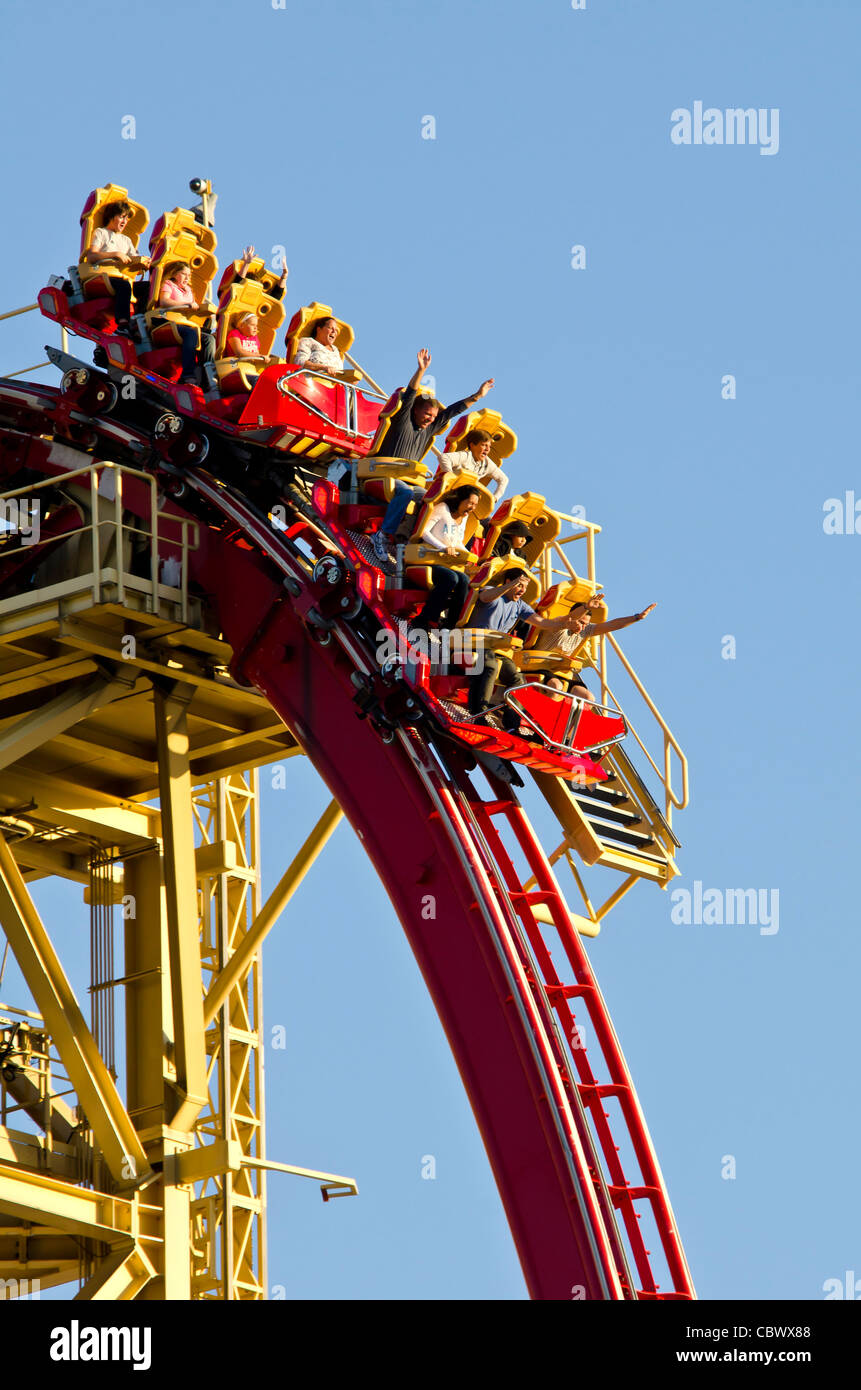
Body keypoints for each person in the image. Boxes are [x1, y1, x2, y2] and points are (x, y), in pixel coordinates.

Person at [372, 349, 494, 561]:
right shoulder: (404, 419)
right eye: (427, 414)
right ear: (416, 411)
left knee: (430, 498)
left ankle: (408, 539)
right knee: (406, 494)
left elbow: (451, 412)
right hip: (385, 473)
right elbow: (410, 394)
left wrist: (476, 396)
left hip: (409, 479)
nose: (430, 419)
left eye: (433, 416)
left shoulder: (429, 428)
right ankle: (381, 535)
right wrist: (421, 370)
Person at [466, 569, 590, 731]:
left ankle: (511, 721)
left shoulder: (520, 606)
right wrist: (510, 585)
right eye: (520, 586)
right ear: (508, 582)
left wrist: (564, 623)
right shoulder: (491, 592)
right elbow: (484, 598)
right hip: (476, 642)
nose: (523, 591)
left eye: (524, 587)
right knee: (490, 667)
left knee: (518, 680)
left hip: (498, 649)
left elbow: (542, 623)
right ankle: (479, 714)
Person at [534, 597, 657, 702]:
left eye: (585, 624)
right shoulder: (559, 624)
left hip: (560, 672)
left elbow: (612, 625)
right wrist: (586, 607)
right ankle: (538, 720)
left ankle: (571, 727)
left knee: (588, 697)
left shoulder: (584, 631)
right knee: (556, 686)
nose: (582, 627)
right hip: (538, 665)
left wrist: (637, 617)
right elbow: (570, 616)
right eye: (581, 622)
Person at [412, 486, 480, 633]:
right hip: (428, 557)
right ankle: (425, 619)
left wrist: (471, 557)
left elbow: (457, 541)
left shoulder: (465, 517)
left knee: (465, 581)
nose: (472, 507)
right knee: (451, 578)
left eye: (475, 505)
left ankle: (449, 626)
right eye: (470, 503)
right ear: (460, 499)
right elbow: (424, 531)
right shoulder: (442, 509)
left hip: (446, 562)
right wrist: (442, 547)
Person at [84, 200, 150, 333]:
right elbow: (91, 257)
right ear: (111, 216)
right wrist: (115, 254)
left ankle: (139, 321)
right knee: (124, 286)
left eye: (126, 218)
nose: (124, 221)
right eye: (121, 216)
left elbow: (132, 260)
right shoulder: (101, 232)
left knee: (147, 287)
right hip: (103, 277)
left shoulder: (126, 240)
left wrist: (142, 263)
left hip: (122, 277)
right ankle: (123, 325)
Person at [157, 261, 216, 387]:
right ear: (175, 274)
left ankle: (207, 378)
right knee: (191, 334)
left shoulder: (189, 290)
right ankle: (188, 375)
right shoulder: (169, 284)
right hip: (170, 322)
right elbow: (164, 301)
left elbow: (192, 307)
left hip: (186, 323)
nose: (187, 278)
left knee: (209, 339)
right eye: (184, 274)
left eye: (189, 275)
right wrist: (184, 305)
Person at [437, 429, 509, 503]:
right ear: (472, 445)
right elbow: (444, 457)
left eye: (489, 446)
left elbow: (504, 479)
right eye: (484, 445)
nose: (487, 449)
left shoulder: (487, 464)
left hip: (464, 500)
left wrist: (495, 498)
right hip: (447, 495)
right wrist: (450, 477)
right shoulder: (466, 456)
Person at [292, 316, 360, 380]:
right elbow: (300, 362)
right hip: (310, 384)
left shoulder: (336, 351)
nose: (334, 332)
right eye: (330, 328)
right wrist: (324, 367)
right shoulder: (308, 342)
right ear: (319, 329)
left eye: (336, 330)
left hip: (333, 387)